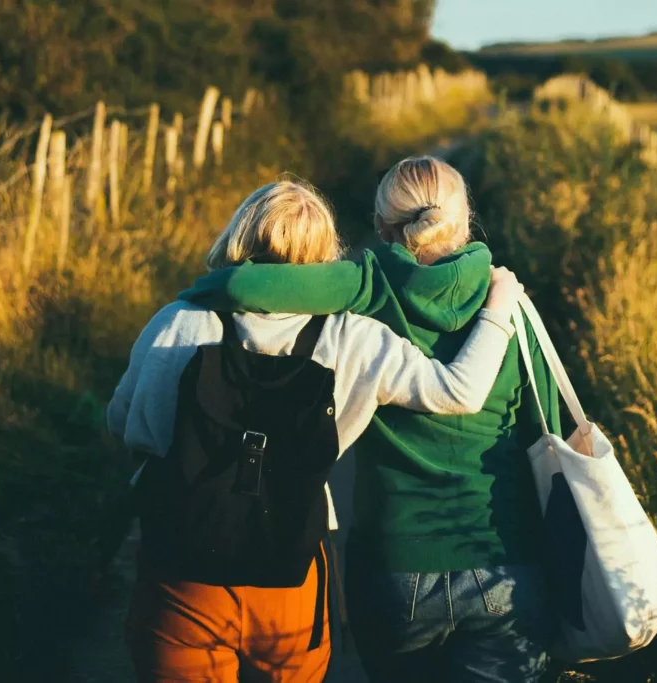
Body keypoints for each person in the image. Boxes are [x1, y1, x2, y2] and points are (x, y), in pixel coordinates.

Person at [107, 179, 525, 683]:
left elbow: (126, 424)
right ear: (327, 253)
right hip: (291, 571)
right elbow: (458, 391)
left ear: (238, 235)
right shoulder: (354, 337)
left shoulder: (178, 321)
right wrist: (499, 309)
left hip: (181, 569)